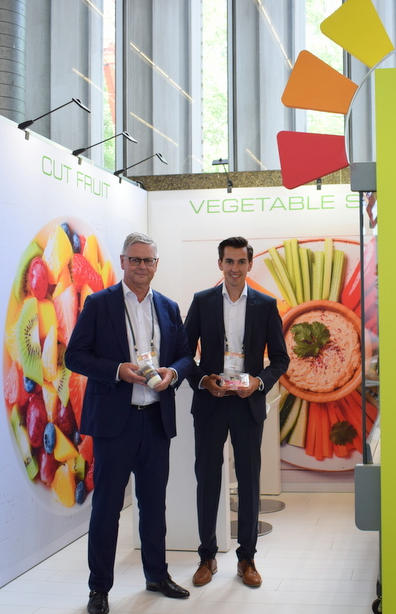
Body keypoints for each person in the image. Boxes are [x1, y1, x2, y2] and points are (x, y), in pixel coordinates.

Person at [65, 232, 194, 614]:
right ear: (123, 262)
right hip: (113, 426)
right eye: (135, 259)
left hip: (154, 421)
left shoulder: (168, 307)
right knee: (106, 510)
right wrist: (117, 370)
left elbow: (186, 355)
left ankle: (157, 575)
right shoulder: (99, 304)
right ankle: (99, 589)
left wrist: (173, 372)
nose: (141, 266)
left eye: (148, 260)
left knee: (154, 506)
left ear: (156, 265)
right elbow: (75, 356)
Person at [184, 236, 289, 588]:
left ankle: (247, 559)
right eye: (228, 262)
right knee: (207, 480)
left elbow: (280, 359)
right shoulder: (202, 301)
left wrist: (259, 383)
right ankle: (207, 556)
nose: (234, 268)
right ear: (220, 264)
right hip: (211, 404)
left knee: (248, 481)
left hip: (247, 404)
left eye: (241, 262)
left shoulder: (265, 305)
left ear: (249, 264)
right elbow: (184, 353)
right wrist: (203, 380)